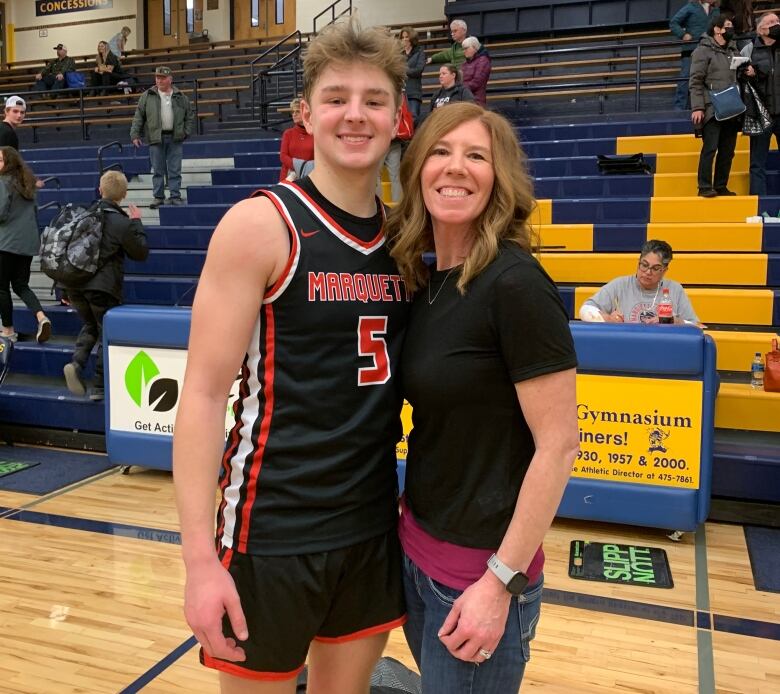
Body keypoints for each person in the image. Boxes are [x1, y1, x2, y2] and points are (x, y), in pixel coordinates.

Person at [173, 19, 410, 692]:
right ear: (306, 113)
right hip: (268, 533)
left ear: (399, 116)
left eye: (373, 100)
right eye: (336, 98)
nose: (354, 115)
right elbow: (203, 397)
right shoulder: (260, 226)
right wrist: (199, 562)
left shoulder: (406, 240)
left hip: (370, 528)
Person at [386, 102, 579, 693]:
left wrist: (500, 583)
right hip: (417, 553)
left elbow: (560, 444)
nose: (456, 167)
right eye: (441, 152)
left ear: (500, 179)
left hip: (480, 580)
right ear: (417, 169)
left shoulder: (515, 283)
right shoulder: (426, 283)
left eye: (476, 156)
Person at [62, 171, 148, 401]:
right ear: (123, 194)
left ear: (100, 190)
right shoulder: (122, 222)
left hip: (75, 284)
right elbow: (140, 252)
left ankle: (77, 363)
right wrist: (137, 222)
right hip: (102, 287)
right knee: (106, 332)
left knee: (91, 325)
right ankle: (99, 386)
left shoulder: (82, 216)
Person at [579, 240, 702, 325]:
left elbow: (695, 326)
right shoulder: (619, 285)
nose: (648, 272)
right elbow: (585, 309)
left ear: (664, 271)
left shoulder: (675, 289)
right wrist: (607, 319)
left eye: (655, 268)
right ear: (638, 262)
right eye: (644, 265)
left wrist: (673, 321)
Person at [0, 147, 51, 344]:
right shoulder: (26, 184)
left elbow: (1, 213)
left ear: (8, 163)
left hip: (6, 243)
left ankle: (7, 330)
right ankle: (41, 317)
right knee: (21, 285)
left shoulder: (3, 183)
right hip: (27, 243)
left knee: (1, 288)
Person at [690, 14, 742, 197]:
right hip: (711, 106)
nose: (731, 29)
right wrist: (697, 107)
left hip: (732, 106)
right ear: (717, 29)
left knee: (728, 150)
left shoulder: (734, 51)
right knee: (710, 147)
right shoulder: (702, 51)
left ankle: (721, 185)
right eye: (727, 26)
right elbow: (696, 81)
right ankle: (704, 186)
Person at [130, 66, 194, 209]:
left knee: (174, 169)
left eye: (163, 78)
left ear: (170, 79)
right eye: (157, 77)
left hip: (175, 137)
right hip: (155, 137)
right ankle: (158, 197)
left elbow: (189, 115)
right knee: (158, 169)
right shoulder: (147, 96)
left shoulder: (180, 96)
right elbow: (139, 116)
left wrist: (186, 132)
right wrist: (135, 134)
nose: (159, 80)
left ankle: (175, 196)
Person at [742, 13, 780, 195]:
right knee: (757, 163)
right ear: (761, 29)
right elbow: (738, 80)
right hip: (760, 113)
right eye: (771, 22)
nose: (777, 24)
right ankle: (758, 204)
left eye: (778, 21)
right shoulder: (749, 50)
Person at [671, 1, 720, 110]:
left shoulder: (716, 10)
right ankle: (680, 108)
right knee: (685, 78)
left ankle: (710, 107)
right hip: (691, 49)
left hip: (711, 50)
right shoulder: (691, 6)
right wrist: (683, 34)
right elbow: (674, 23)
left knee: (711, 78)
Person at [278, 97, 314, 181]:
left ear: (305, 113)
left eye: (297, 111)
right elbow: (283, 156)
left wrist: (306, 169)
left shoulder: (314, 133)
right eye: (292, 112)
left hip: (309, 176)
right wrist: (300, 167)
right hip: (289, 177)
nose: (294, 114)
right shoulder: (288, 133)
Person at [400, 26, 425, 121]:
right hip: (400, 93)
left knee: (413, 119)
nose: (404, 39)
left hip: (413, 93)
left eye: (406, 37)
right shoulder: (399, 54)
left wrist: (403, 70)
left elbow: (418, 70)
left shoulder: (420, 53)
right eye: (402, 37)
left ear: (412, 38)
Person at [461, 36, 491, 107]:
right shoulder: (465, 63)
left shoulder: (483, 61)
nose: (464, 51)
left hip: (476, 101)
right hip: (464, 98)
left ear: (474, 48)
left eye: (466, 48)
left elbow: (477, 82)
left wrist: (461, 90)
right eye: (463, 49)